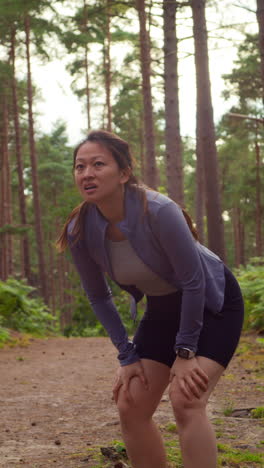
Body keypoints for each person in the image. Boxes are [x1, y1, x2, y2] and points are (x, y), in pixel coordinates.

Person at [56, 129, 244, 468]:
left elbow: (193, 281)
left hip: (212, 300)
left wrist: (184, 352)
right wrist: (127, 356)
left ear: (124, 173)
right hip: (163, 308)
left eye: (98, 164)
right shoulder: (79, 229)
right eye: (80, 167)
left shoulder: (158, 210)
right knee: (131, 403)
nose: (87, 173)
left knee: (186, 399)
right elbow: (99, 297)